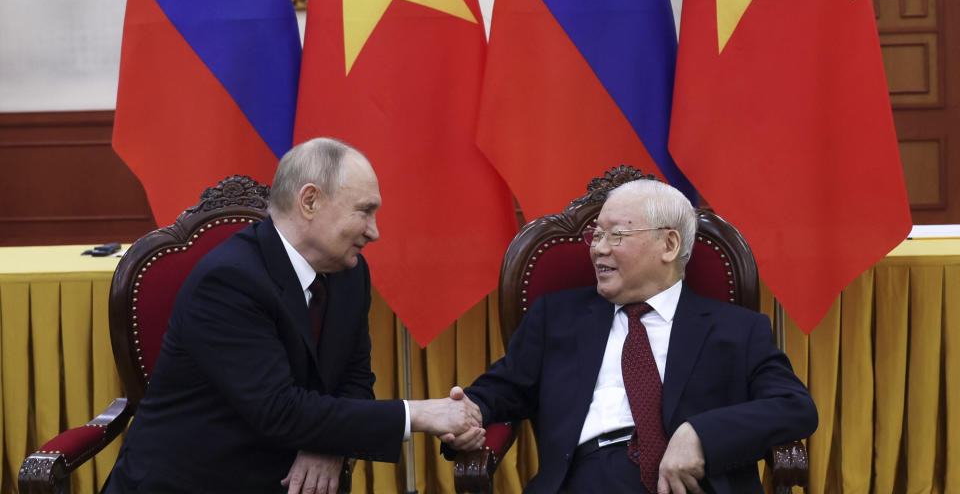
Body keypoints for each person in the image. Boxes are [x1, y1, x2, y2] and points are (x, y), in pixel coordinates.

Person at [105, 138, 484, 494]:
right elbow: (278, 409)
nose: (375, 232)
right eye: (364, 211)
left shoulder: (350, 273)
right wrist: (420, 413)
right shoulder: (229, 280)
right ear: (310, 202)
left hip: (292, 477)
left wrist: (329, 446)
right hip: (194, 480)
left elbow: (354, 381)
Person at [447, 179, 817, 494]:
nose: (597, 248)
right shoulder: (555, 318)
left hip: (694, 482)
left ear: (669, 245)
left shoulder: (736, 329)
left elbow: (795, 407)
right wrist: (467, 414)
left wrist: (701, 435)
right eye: (597, 234)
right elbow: (502, 390)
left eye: (616, 235)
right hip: (584, 479)